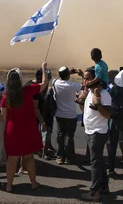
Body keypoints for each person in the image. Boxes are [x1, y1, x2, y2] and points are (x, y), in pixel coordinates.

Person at [1, 63, 48, 192]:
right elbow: (44, 83)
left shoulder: (5, 97)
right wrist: (43, 68)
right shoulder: (28, 90)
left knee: (12, 160)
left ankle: (9, 186)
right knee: (29, 157)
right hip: (28, 130)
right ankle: (33, 183)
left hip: (12, 131)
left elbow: (4, 117)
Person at [81, 68, 112, 201]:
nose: (85, 81)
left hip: (97, 132)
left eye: (88, 78)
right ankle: (104, 186)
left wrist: (98, 104)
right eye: (84, 78)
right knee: (98, 160)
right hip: (90, 130)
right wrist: (81, 99)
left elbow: (108, 115)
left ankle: (94, 192)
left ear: (96, 79)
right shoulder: (90, 91)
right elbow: (86, 111)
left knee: (94, 163)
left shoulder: (103, 94)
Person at [54, 67, 82, 165]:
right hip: (71, 115)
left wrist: (68, 73)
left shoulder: (56, 83)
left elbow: (58, 78)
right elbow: (84, 86)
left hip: (59, 115)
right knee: (70, 137)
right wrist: (81, 75)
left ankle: (60, 157)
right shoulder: (73, 85)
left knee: (61, 136)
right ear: (68, 75)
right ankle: (68, 157)